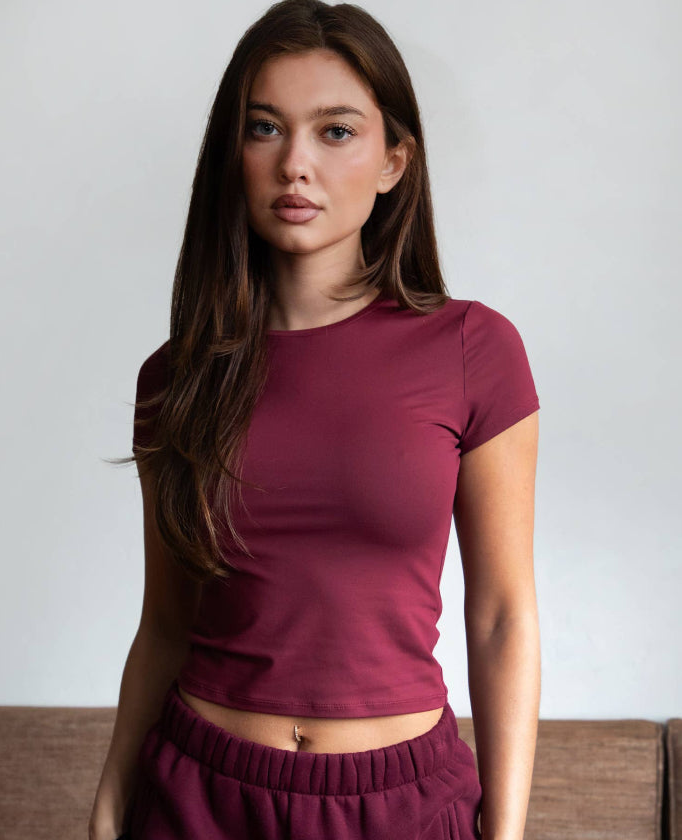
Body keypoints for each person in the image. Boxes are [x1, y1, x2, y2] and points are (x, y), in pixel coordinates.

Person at [89, 1, 541, 838]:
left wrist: (506, 831)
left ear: (394, 161)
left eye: (336, 132)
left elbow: (502, 617)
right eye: (265, 128)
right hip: (197, 796)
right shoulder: (176, 379)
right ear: (234, 154)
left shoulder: (474, 350)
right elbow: (165, 624)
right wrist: (113, 797)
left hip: (401, 802)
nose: (295, 164)